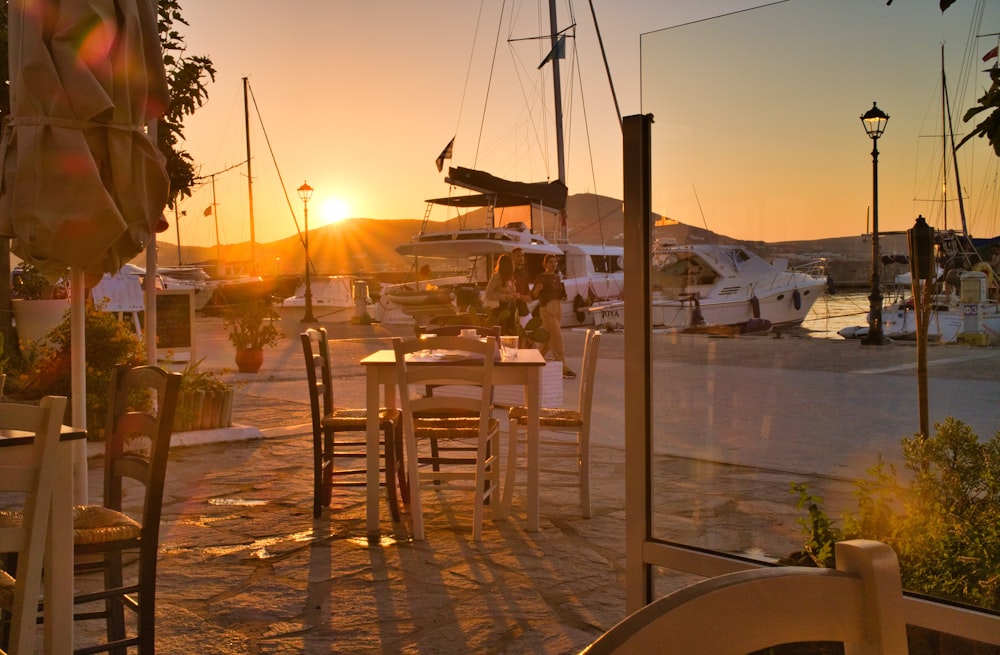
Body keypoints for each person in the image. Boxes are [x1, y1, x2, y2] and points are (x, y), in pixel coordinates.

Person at [531, 253, 576, 379]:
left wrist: (563, 295)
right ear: (545, 264)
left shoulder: (557, 277)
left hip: (558, 308)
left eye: (555, 262)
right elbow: (533, 295)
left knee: (547, 338)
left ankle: (534, 359)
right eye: (551, 262)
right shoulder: (541, 277)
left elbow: (561, 293)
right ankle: (563, 367)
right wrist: (538, 290)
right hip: (547, 309)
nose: (553, 264)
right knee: (558, 338)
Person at [484, 254, 519, 335]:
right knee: (502, 332)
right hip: (500, 309)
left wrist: (514, 295)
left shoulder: (511, 278)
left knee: (510, 332)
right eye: (512, 263)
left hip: (511, 308)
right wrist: (504, 297)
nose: (513, 265)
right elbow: (489, 293)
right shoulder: (496, 277)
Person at [511, 247, 532, 318]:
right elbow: (508, 292)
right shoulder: (510, 273)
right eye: (518, 256)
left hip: (524, 308)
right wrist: (522, 297)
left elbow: (526, 288)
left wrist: (529, 295)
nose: (521, 258)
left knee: (530, 327)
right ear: (513, 257)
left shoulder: (525, 273)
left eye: (522, 256)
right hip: (512, 308)